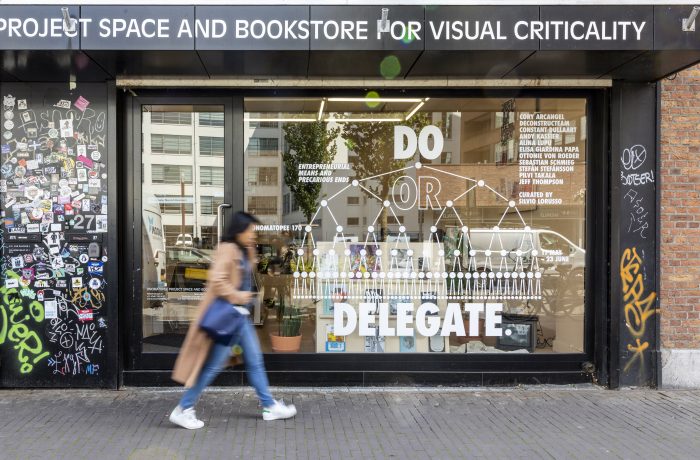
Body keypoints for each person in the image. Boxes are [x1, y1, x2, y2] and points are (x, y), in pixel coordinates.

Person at [169, 211, 296, 429]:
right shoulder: (227, 249)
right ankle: (183, 409)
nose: (253, 235)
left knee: (255, 361)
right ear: (239, 230)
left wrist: (251, 251)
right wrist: (239, 295)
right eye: (250, 231)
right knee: (212, 366)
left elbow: (247, 273)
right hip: (228, 317)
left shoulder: (243, 249)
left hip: (240, 318)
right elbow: (217, 280)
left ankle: (269, 406)